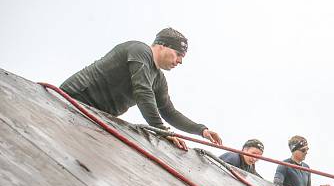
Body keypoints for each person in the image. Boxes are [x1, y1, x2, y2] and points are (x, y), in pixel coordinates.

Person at [60, 28, 222, 151]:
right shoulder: (140, 50)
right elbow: (142, 92)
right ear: (161, 45)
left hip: (97, 115)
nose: (180, 61)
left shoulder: (158, 79)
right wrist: (163, 131)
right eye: (178, 54)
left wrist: (202, 130)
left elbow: (169, 112)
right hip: (74, 98)